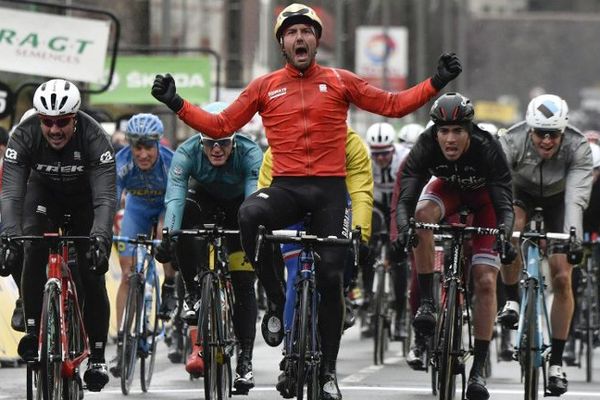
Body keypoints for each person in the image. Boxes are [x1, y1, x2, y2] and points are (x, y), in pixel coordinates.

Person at [151, 4, 460, 398]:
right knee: (249, 214)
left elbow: (393, 104)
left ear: (316, 40)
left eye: (307, 32)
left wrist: (436, 82)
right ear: (282, 42)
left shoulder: (339, 80)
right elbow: (221, 125)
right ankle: (277, 302)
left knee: (331, 279)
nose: (300, 38)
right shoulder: (265, 86)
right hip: (286, 188)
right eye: (292, 33)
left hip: (330, 193)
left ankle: (328, 372)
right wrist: (177, 103)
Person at [394, 92, 515, 400]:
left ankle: (478, 369)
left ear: (469, 131)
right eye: (444, 131)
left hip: (485, 201)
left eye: (457, 130)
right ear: (435, 131)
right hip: (446, 191)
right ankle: (428, 303)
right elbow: (408, 189)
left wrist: (504, 233)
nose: (450, 138)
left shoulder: (488, 147)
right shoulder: (426, 144)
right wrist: (405, 227)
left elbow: (504, 203)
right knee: (421, 216)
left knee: (486, 280)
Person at [0, 79, 115, 392]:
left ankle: (98, 357)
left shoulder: (95, 138)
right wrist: (8, 238)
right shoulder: (22, 136)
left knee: (92, 273)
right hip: (42, 197)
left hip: (84, 203)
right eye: (47, 122)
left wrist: (101, 239)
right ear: (39, 119)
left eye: (62, 121)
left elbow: (104, 198)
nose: (54, 129)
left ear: (74, 118)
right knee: (31, 245)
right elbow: (10, 194)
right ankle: (33, 324)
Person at [153, 102, 262, 394]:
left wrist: (253, 236)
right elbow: (174, 199)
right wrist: (169, 235)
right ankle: (192, 293)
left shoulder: (251, 153)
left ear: (234, 140)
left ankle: (245, 362)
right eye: (210, 143)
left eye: (223, 143)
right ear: (200, 140)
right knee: (185, 217)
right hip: (204, 204)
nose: (216, 150)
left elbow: (252, 202)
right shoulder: (186, 153)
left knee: (242, 285)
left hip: (240, 209)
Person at [258, 126, 373, 397]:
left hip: (332, 207)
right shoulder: (281, 142)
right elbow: (265, 190)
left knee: (334, 274)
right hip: (291, 209)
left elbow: (359, 193)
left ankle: (328, 371)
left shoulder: (350, 143)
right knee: (296, 268)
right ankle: (290, 356)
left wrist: (362, 234)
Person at [497, 93, 592, 396]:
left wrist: (573, 236)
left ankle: (557, 363)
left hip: (558, 201)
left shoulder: (578, 147)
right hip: (520, 192)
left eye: (554, 134)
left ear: (564, 131)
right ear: (529, 129)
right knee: (512, 230)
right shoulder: (511, 141)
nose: (547, 141)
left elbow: (575, 197)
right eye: (540, 133)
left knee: (562, 276)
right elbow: (500, 188)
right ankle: (511, 299)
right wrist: (503, 229)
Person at [109, 113, 176, 377]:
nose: (143, 153)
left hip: (164, 207)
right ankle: (124, 339)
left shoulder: (171, 163)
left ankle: (169, 284)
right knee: (128, 274)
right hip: (136, 208)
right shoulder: (121, 162)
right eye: (138, 147)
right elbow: (112, 200)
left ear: (158, 144)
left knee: (165, 234)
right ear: (130, 146)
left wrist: (166, 234)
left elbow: (174, 203)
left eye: (149, 147)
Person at [364, 122, 410, 339]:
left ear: (393, 148)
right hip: (375, 203)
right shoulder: (364, 157)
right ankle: (366, 296)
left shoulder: (404, 157)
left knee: (398, 253)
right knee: (365, 242)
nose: (380, 158)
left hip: (398, 202)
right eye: (376, 154)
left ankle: (400, 315)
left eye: (385, 153)